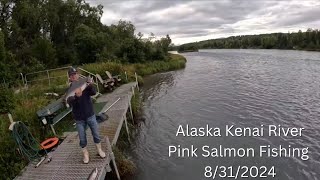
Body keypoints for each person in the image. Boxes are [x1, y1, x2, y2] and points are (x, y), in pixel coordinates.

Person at [66, 67, 105, 164]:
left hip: (90, 115)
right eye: (71, 75)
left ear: (78, 75)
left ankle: (99, 150)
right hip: (79, 118)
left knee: (96, 134)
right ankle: (85, 154)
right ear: (69, 77)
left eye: (75, 74)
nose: (74, 76)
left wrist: (90, 85)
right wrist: (76, 97)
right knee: (82, 138)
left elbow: (94, 92)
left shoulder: (85, 83)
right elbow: (69, 102)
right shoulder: (69, 88)